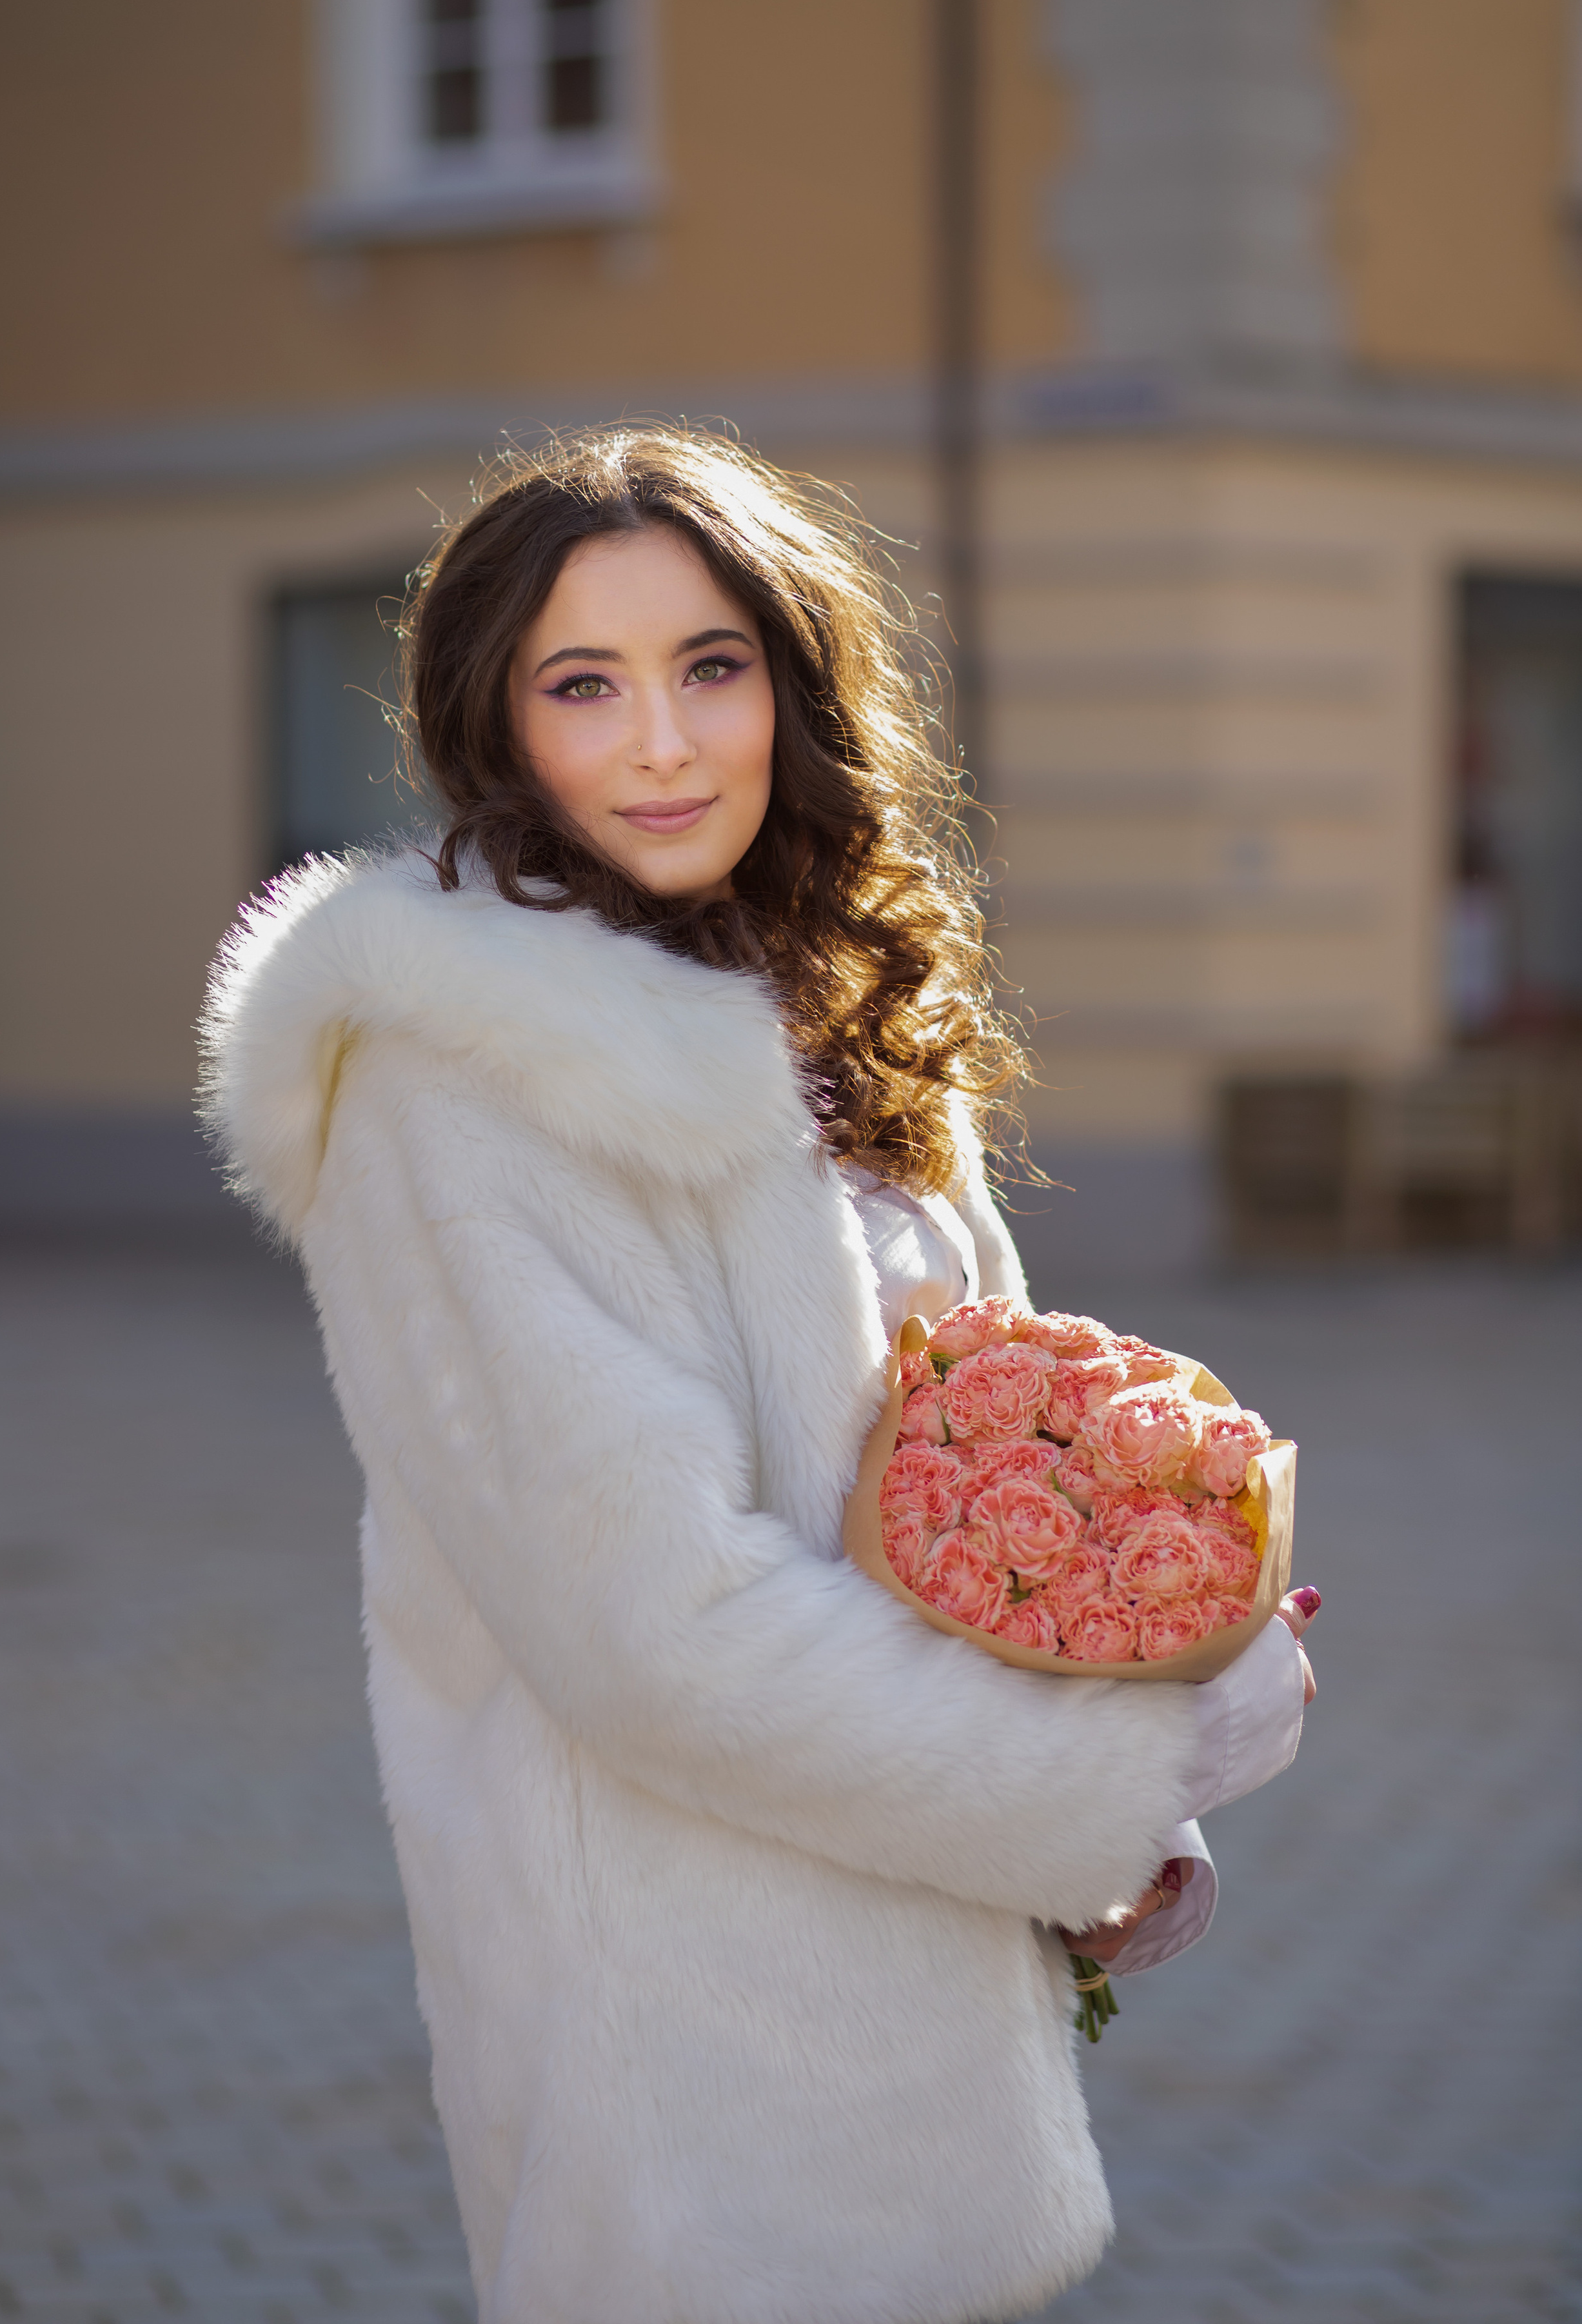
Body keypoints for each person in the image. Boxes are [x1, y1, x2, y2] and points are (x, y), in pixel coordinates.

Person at [201, 428, 1316, 2324]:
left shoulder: (829, 1011)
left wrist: (1149, 1689)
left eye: (712, 667)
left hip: (922, 1984)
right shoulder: (458, 1087)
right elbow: (659, 1630)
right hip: (689, 2050)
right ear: (496, 725)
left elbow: (966, 1470)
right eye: (584, 686)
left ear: (795, 691)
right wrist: (1103, 1777)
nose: (661, 743)